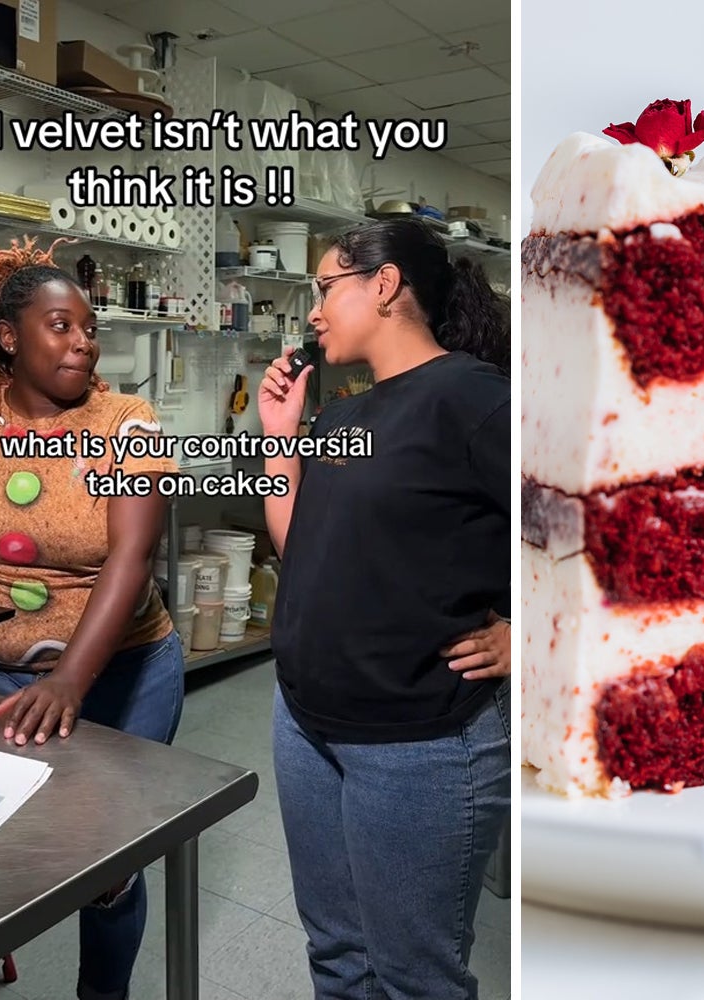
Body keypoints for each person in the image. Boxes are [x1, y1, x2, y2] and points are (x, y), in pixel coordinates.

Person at [0, 237, 183, 1000]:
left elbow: (131, 560)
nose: (83, 343)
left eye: (89, 329)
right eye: (61, 326)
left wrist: (69, 681)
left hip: (121, 672)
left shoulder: (128, 421)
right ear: (9, 336)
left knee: (104, 863)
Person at [255, 218, 510, 1000]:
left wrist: (529, 632)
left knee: (414, 977)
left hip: (417, 741)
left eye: (326, 287)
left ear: (386, 284)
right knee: (337, 954)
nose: (314, 310)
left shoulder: (474, 397)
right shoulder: (343, 415)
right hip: (306, 722)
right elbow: (300, 543)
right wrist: (280, 439)